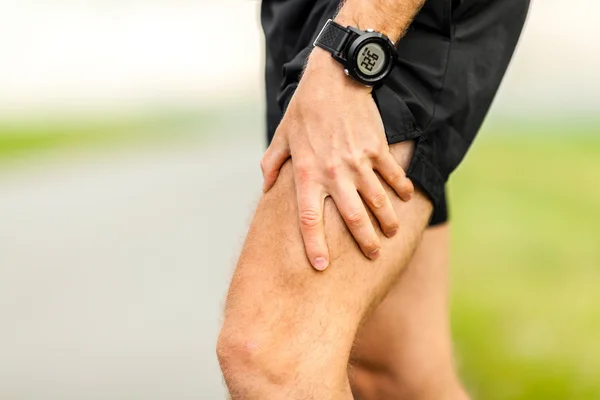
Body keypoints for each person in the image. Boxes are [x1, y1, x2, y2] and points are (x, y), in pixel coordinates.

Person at [217, 0, 529, 398]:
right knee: (394, 374)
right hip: (302, 14)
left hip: (378, 16)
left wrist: (349, 46)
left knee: (272, 353)